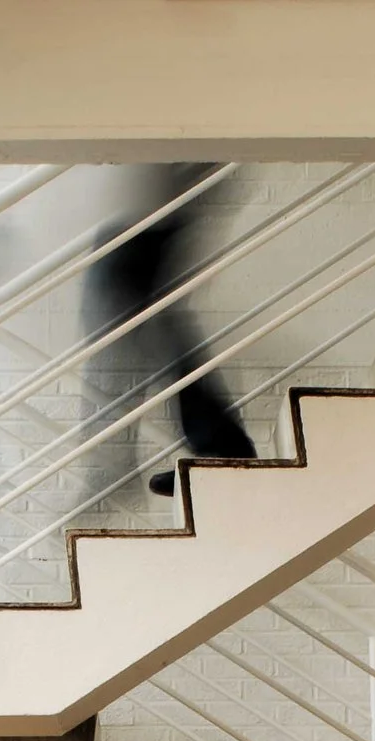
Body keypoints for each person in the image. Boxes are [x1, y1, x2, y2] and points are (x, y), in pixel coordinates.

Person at [79, 163, 256, 500]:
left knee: (140, 330)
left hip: (148, 208)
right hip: (145, 206)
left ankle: (116, 469)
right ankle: (116, 468)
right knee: (135, 331)